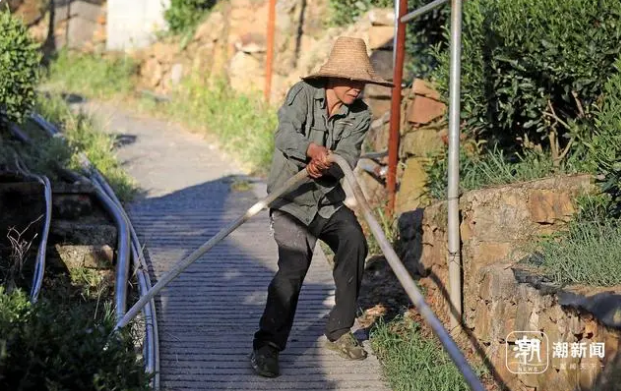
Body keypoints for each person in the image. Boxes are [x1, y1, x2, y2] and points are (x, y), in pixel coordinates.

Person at [250, 36, 393, 378]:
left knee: (354, 242)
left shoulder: (360, 115)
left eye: (361, 82)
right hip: (290, 199)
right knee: (293, 267)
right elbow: (284, 136)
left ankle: (339, 330)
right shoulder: (303, 94)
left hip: (326, 201)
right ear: (332, 77)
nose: (357, 88)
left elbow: (348, 156)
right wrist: (311, 151)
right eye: (351, 80)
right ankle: (267, 347)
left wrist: (326, 164)